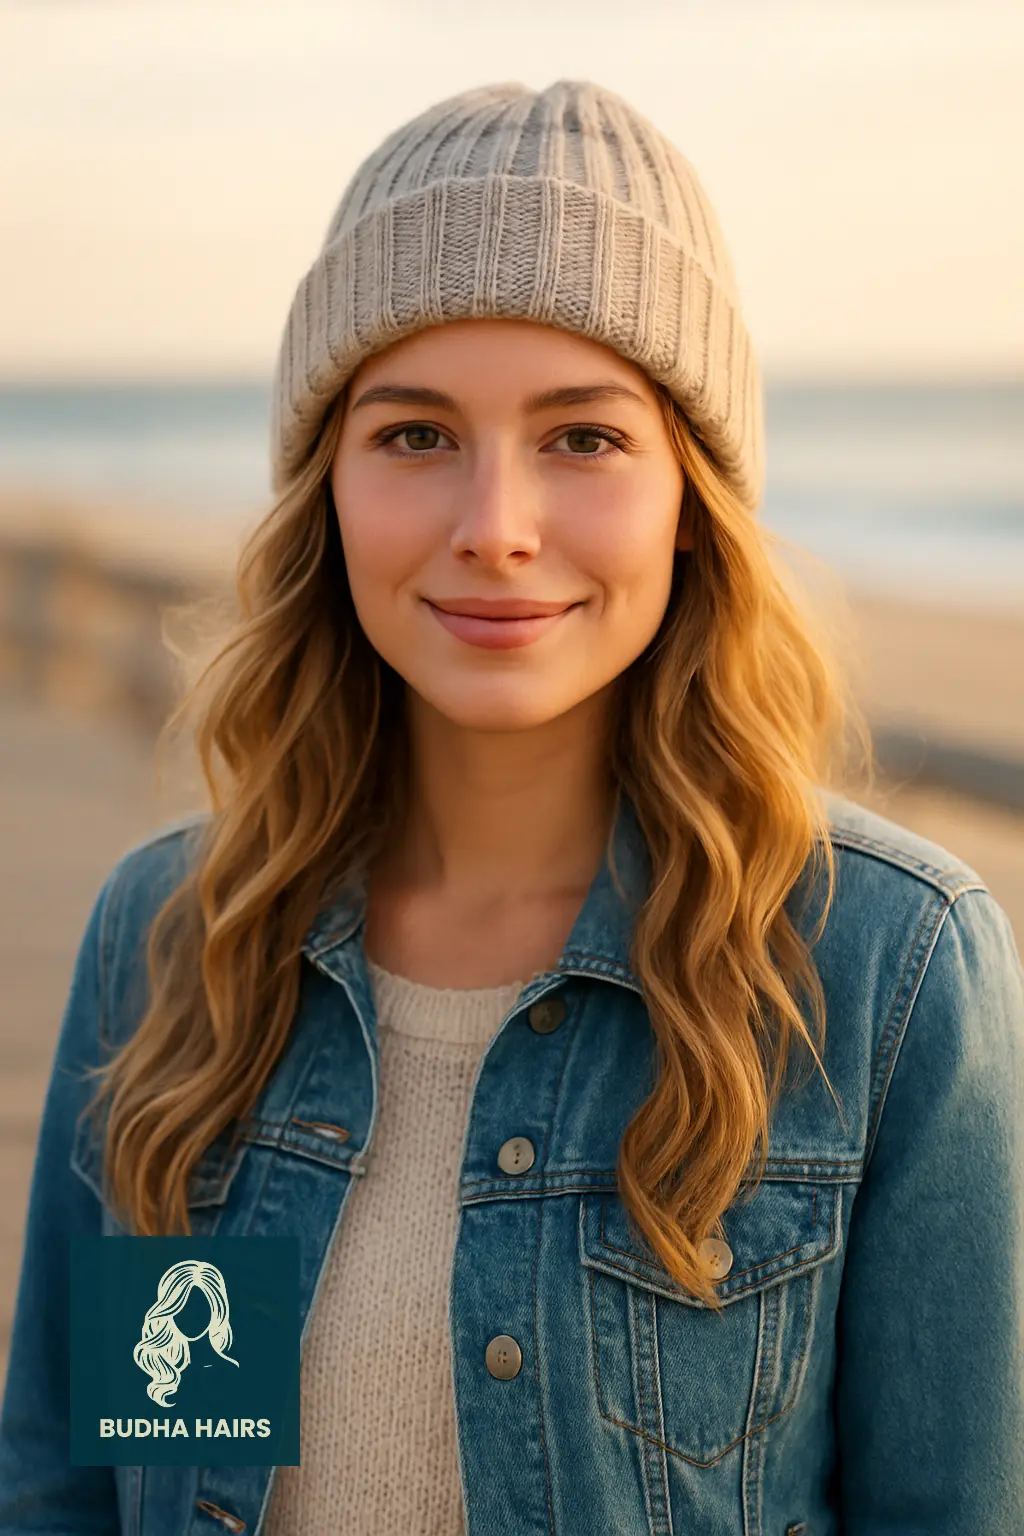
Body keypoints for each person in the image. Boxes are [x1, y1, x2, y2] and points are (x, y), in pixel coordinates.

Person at [1, 77, 1022, 1536]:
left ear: (690, 493)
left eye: (583, 437)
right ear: (328, 488)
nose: (495, 524)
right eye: (415, 435)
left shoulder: (890, 971)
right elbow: (72, 1490)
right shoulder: (174, 938)